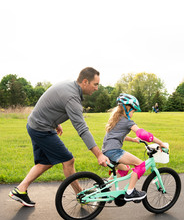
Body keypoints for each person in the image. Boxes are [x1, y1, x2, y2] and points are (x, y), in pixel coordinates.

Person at [9, 67, 110, 207]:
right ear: (85, 82)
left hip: (35, 125)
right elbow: (82, 128)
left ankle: (20, 190)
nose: (97, 88)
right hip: (41, 129)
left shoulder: (69, 85)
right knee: (68, 160)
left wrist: (55, 122)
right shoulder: (72, 97)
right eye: (95, 84)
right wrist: (99, 154)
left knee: (45, 162)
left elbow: (52, 103)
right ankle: (80, 195)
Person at [102, 93, 167, 201]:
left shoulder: (116, 118)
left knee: (124, 169)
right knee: (141, 165)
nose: (133, 113)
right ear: (127, 109)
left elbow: (118, 135)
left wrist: (132, 139)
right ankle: (130, 192)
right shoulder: (127, 121)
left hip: (106, 150)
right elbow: (143, 134)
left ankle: (105, 186)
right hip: (114, 151)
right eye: (133, 111)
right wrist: (160, 143)